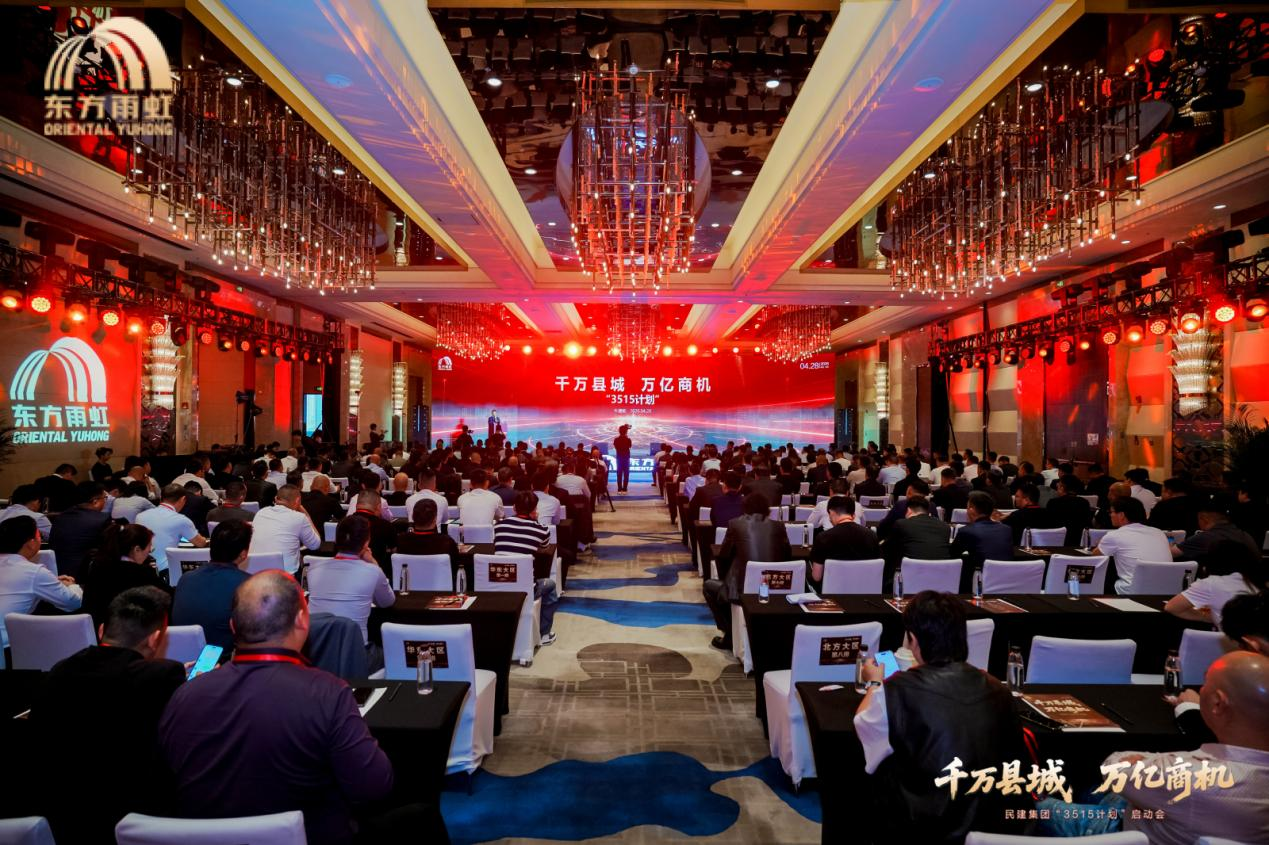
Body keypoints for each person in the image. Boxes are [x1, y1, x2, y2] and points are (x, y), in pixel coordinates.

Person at [159, 571, 395, 845]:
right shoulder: (327, 693)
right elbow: (374, 786)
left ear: (233, 627)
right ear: (302, 621)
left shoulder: (184, 696)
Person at [854, 591, 1030, 841]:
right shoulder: (998, 689)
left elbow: (862, 724)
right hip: (998, 827)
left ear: (913, 640)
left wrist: (874, 683)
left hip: (926, 829)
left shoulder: (896, 690)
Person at [30, 586, 185, 843]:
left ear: (102, 631)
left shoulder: (60, 671)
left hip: (61, 817)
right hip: (135, 819)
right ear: (154, 639)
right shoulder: (163, 676)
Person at [1102, 651, 1269, 845]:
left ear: (1217, 703)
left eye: (1204, 684)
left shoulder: (1191, 775)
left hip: (1128, 829)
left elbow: (1113, 769)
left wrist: (1144, 760)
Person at [703, 493, 791, 650]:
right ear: (766, 509)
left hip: (743, 591)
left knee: (709, 586)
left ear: (745, 508)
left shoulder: (735, 524)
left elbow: (723, 555)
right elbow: (787, 555)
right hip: (776, 587)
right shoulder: (779, 526)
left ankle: (730, 634)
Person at [307, 515, 395, 654]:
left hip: (316, 650)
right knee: (389, 653)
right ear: (366, 543)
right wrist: (373, 562)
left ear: (336, 540)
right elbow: (387, 601)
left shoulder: (313, 569)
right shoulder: (372, 571)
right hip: (355, 653)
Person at [0, 515, 82, 652]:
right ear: (31, 543)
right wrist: (72, 585)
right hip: (8, 646)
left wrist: (53, 582)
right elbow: (73, 602)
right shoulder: (33, 571)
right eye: (39, 536)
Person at [172, 520, 253, 653]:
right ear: (243, 554)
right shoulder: (248, 585)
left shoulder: (185, 579)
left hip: (182, 656)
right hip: (224, 659)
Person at [492, 492, 560, 646]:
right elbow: (545, 547)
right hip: (524, 589)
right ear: (535, 510)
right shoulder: (541, 530)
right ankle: (544, 633)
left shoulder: (499, 526)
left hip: (496, 585)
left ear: (514, 508)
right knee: (550, 585)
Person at [82, 522, 169, 627]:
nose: (150, 552)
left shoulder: (97, 567)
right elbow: (168, 598)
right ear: (137, 549)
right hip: (129, 632)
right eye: (149, 547)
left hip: (94, 629)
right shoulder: (142, 573)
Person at [1165, 540, 1264, 628]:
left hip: (1237, 640)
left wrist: (1207, 617)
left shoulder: (1211, 583)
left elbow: (1172, 607)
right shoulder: (1255, 580)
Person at [1095, 496, 1172, 594]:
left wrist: (1100, 543)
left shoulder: (1115, 535)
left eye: (1111, 512)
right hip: (1167, 590)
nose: (1110, 515)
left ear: (1121, 515)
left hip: (1132, 591)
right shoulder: (1159, 532)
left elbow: (1096, 557)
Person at [880, 495, 952, 592]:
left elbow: (887, 549)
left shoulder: (901, 524)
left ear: (908, 510)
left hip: (909, 583)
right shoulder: (945, 527)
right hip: (941, 583)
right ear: (928, 512)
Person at [49, 481, 115, 582]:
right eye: (104, 498)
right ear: (95, 501)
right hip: (87, 575)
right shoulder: (102, 519)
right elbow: (111, 549)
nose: (105, 501)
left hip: (58, 573)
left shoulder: (61, 517)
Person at [137, 483, 208, 576]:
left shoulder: (140, 516)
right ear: (183, 499)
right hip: (166, 571)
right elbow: (201, 543)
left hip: (142, 568)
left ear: (161, 497)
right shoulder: (181, 520)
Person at [248, 484, 321, 573]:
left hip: (254, 573)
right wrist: (307, 516)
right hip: (285, 576)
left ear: (276, 499)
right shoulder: (299, 517)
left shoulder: (260, 513)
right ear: (298, 501)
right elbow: (315, 545)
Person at [809, 495, 879, 589]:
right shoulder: (871, 535)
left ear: (831, 512)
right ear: (853, 514)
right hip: (865, 590)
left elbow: (816, 577)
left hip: (831, 592)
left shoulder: (823, 538)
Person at [950, 490, 1013, 589]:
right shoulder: (1006, 530)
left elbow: (952, 554)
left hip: (979, 583)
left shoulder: (967, 531)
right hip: (1008, 580)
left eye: (967, 508)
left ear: (971, 510)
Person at [1173, 505, 1261, 566]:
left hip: (1228, 584)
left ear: (1204, 519)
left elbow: (1171, 553)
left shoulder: (1206, 537)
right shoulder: (1245, 534)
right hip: (1254, 583)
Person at [1044, 475, 1093, 545]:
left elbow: (1049, 524)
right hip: (1079, 541)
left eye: (1058, 485)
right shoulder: (1084, 502)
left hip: (1058, 542)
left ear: (1062, 488)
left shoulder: (1053, 503)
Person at [613, 425, 632, 493]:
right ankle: (625, 489)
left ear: (619, 431)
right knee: (626, 474)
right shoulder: (628, 439)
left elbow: (616, 447)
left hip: (619, 458)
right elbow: (630, 446)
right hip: (626, 458)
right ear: (626, 431)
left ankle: (619, 489)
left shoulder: (616, 440)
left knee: (619, 474)